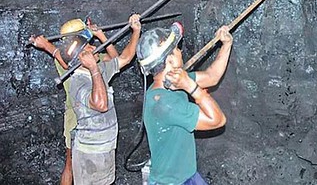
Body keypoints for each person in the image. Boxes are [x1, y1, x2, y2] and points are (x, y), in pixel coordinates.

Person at [30, 14, 141, 184]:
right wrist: (47, 46)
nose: (93, 46)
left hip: (102, 144)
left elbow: (120, 58)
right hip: (77, 120)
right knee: (70, 164)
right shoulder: (75, 72)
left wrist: (132, 31)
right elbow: (70, 64)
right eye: (87, 42)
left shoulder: (93, 63)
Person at [136, 22, 233, 184]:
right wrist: (191, 87)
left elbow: (212, 76)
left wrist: (226, 44)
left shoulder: (173, 81)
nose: (180, 50)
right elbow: (218, 120)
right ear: (170, 60)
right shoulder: (164, 103)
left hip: (187, 175)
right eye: (176, 48)